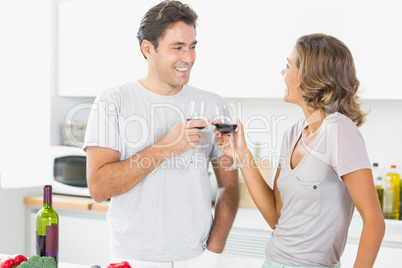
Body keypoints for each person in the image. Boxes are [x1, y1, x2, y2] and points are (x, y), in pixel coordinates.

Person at [83, 1, 239, 267]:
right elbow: (98, 188)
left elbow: (230, 186)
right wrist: (166, 147)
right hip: (132, 258)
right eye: (177, 47)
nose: (188, 58)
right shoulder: (113, 101)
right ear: (148, 49)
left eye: (192, 47)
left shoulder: (212, 104)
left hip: (198, 258)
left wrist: (213, 253)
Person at [215, 33, 385, 267]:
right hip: (272, 261)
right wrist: (243, 154)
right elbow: (277, 218)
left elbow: (375, 222)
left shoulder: (339, 131)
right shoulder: (293, 133)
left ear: (310, 75)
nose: (282, 73)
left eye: (288, 66)